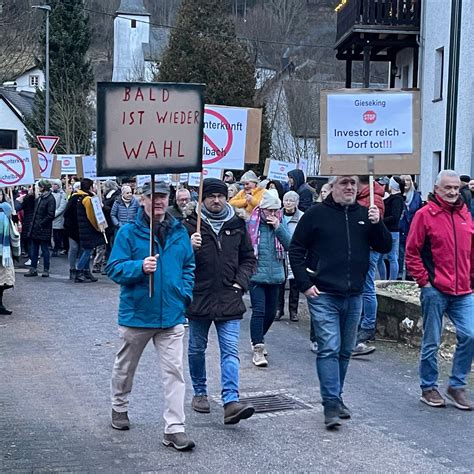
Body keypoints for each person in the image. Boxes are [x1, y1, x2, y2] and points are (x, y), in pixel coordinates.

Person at [289, 176, 391, 429]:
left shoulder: (364, 214)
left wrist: (378, 224)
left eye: (353, 184)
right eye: (344, 183)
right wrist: (304, 283)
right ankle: (331, 403)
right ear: (332, 187)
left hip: (354, 295)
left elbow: (384, 246)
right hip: (323, 294)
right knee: (329, 347)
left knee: (345, 350)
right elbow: (296, 249)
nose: (349, 188)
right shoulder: (316, 214)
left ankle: (337, 395)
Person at [106, 181, 195, 451]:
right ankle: (119, 406)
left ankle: (174, 428)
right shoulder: (128, 233)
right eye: (152, 196)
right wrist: (139, 267)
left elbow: (188, 265)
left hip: (171, 315)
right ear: (142, 200)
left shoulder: (180, 231)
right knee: (125, 367)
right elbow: (114, 268)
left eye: (162, 196)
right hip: (137, 315)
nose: (158, 201)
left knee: (174, 372)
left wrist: (184, 295)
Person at [184, 178, 256, 424]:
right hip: (199, 297)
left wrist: (240, 284)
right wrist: (187, 247)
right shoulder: (189, 226)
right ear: (202, 199)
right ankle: (200, 392)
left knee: (230, 351)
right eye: (211, 196)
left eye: (220, 196)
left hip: (229, 297)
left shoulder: (236, 224)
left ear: (226, 198)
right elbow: (175, 261)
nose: (216, 200)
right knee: (196, 349)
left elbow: (248, 257)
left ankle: (230, 401)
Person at [406, 170, 474, 410]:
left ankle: (456, 385)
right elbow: (412, 252)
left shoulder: (465, 213)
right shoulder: (425, 215)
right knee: (432, 340)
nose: (453, 192)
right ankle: (428, 387)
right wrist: (425, 281)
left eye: (456, 188)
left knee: (470, 335)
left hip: (464, 290)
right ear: (437, 189)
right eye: (448, 188)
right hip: (435, 289)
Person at [247, 189, 291, 367]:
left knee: (271, 313)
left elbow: (290, 245)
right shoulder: (252, 222)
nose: (273, 214)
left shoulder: (281, 222)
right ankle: (258, 348)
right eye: (269, 210)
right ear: (262, 209)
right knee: (259, 310)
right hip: (256, 275)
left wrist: (278, 227)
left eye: (275, 210)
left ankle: (258, 337)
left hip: (276, 275)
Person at [352, 175, 386, 356]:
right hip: (362, 247)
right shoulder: (362, 198)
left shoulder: (374, 199)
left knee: (367, 287)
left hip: (370, 249)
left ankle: (368, 325)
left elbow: (376, 227)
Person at [276, 191, 303, 322]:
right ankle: (278, 309)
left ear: (296, 203)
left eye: (291, 201)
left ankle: (293, 311)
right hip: (280, 251)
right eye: (286, 200)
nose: (288, 203)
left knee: (295, 284)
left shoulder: (302, 217)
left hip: (295, 253)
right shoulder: (277, 215)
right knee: (280, 282)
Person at [24, 180, 56, 278]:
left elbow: (50, 215)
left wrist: (41, 224)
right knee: (34, 249)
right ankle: (33, 269)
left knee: (45, 250)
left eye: (39, 186)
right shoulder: (40, 198)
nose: (38, 188)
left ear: (43, 187)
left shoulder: (50, 199)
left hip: (43, 229)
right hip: (36, 228)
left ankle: (46, 269)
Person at [74, 179, 104, 283]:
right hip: (88, 228)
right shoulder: (87, 199)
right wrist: (98, 226)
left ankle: (86, 271)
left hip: (83, 228)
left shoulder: (80, 197)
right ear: (90, 187)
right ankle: (79, 271)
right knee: (88, 250)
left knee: (86, 250)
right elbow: (91, 216)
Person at [377, 176, 405, 280]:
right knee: (382, 258)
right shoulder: (393, 198)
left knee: (391, 257)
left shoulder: (397, 199)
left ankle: (391, 281)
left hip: (391, 231)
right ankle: (384, 280)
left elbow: (395, 217)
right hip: (388, 230)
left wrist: (381, 221)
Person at [398, 175, 423, 279]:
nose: (406, 182)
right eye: (404, 181)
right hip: (400, 228)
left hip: (412, 228)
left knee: (411, 252)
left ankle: (410, 275)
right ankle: (398, 276)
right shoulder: (397, 195)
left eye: (408, 180)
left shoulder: (416, 196)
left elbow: (420, 211)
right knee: (399, 253)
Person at [0, 202, 20, 314]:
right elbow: (14, 236)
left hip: (4, 252)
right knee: (3, 280)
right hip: (4, 253)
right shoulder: (5, 215)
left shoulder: (6, 212)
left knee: (3, 280)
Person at [63, 182, 82, 280]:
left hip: (82, 228)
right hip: (73, 228)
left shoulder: (87, 197)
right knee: (73, 248)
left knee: (83, 250)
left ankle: (81, 269)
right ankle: (72, 269)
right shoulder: (72, 199)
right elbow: (66, 214)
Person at [51, 179, 67, 257]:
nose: (54, 186)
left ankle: (56, 248)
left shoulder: (62, 194)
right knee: (53, 234)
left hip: (58, 218)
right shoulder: (50, 193)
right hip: (51, 217)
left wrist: (53, 214)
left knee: (57, 235)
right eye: (53, 184)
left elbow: (62, 207)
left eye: (56, 184)